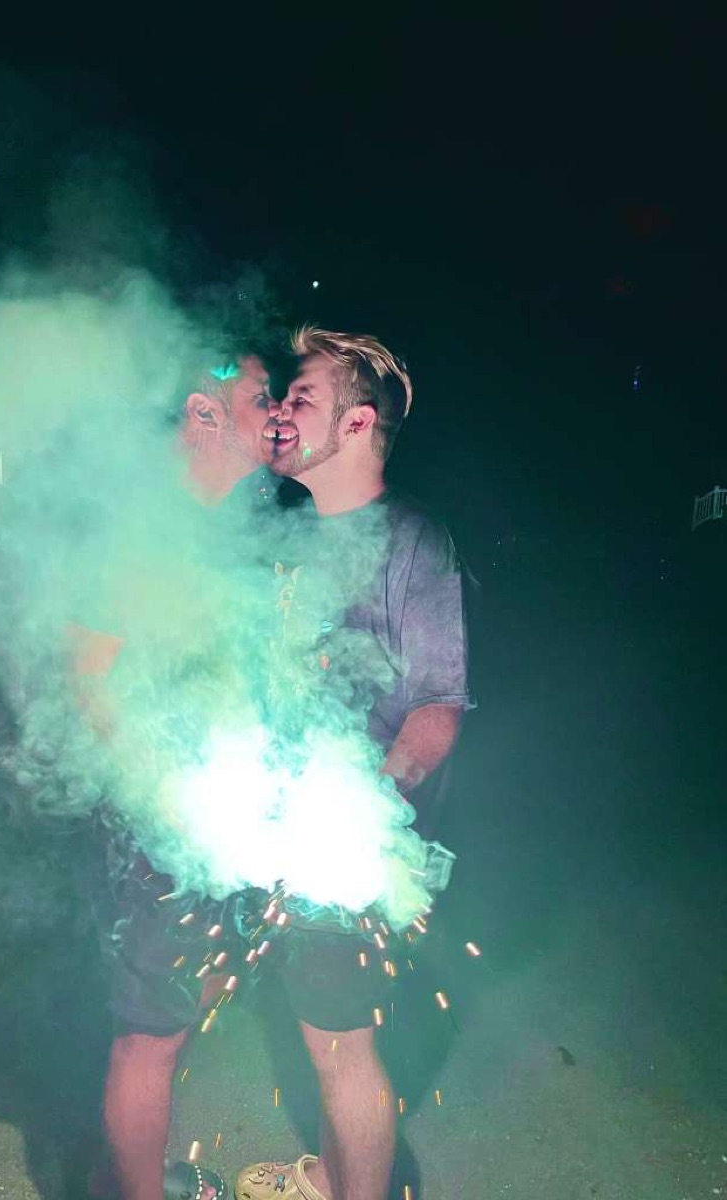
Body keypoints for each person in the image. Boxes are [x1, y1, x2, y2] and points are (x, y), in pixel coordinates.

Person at [236, 327, 473, 1200]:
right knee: (316, 1034)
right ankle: (331, 1174)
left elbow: (439, 706)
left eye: (304, 398)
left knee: (343, 1053)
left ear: (359, 421)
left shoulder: (412, 540)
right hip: (281, 834)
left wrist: (362, 811)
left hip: (351, 851)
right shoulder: (291, 537)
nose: (283, 412)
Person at [70, 352, 274, 1200]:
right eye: (261, 398)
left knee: (182, 1010)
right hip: (159, 825)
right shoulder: (144, 522)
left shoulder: (210, 522)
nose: (278, 412)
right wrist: (163, 803)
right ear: (204, 413)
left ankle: (134, 1170)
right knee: (148, 1036)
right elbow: (87, 681)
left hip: (205, 818)